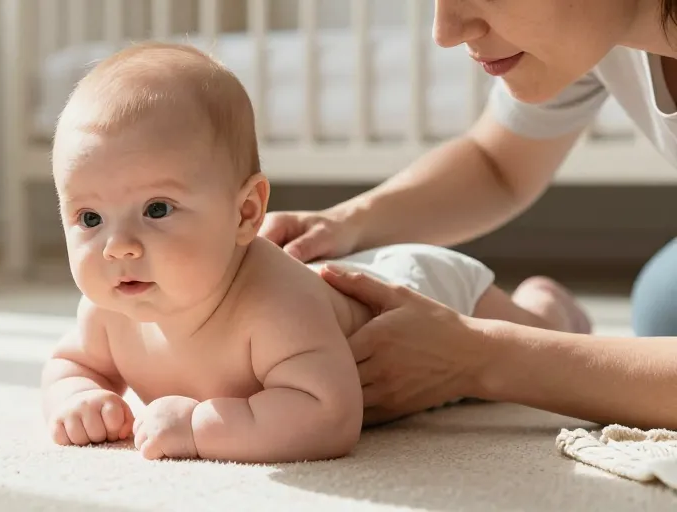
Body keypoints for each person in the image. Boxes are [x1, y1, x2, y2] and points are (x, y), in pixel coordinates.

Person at [40, 41, 594, 463]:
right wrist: (76, 398)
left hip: (424, 291)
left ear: (246, 213)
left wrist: (202, 427)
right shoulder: (108, 311)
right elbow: (72, 364)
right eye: (89, 218)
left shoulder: (274, 304)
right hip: (354, 275)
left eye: (157, 209)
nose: (118, 247)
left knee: (539, 334)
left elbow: (329, 414)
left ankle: (550, 305)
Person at [261, 0, 677, 429]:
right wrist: (348, 221)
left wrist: (482, 357)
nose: (445, 32)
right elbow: (496, 164)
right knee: (663, 304)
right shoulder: (603, 32)